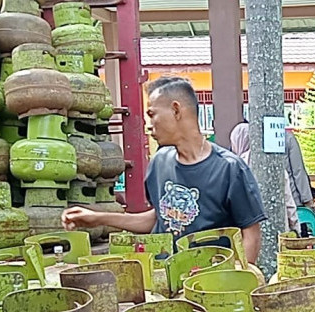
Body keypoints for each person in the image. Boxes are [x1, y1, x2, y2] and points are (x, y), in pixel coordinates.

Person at [61, 77, 266, 263]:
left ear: (176, 110)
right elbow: (159, 217)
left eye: (152, 114)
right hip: (165, 277)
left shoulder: (229, 168)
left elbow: (251, 234)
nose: (148, 125)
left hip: (210, 280)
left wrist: (238, 280)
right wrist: (98, 218)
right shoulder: (160, 162)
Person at [230, 122, 300, 235]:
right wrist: (296, 228)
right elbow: (288, 201)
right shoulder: (275, 162)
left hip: (246, 233)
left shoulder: (234, 167)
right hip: (279, 231)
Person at [285, 131, 315, 208]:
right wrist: (308, 201)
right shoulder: (288, 138)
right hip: (292, 200)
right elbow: (298, 171)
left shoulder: (254, 139)